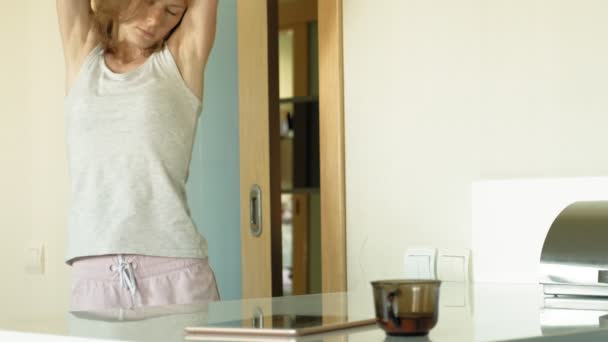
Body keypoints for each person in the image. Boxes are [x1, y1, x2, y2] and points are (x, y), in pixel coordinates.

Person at [56, 0, 220, 311]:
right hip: (94, 276)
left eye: (173, 11)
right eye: (146, 2)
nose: (156, 18)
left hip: (177, 272)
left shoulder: (182, 58)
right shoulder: (82, 50)